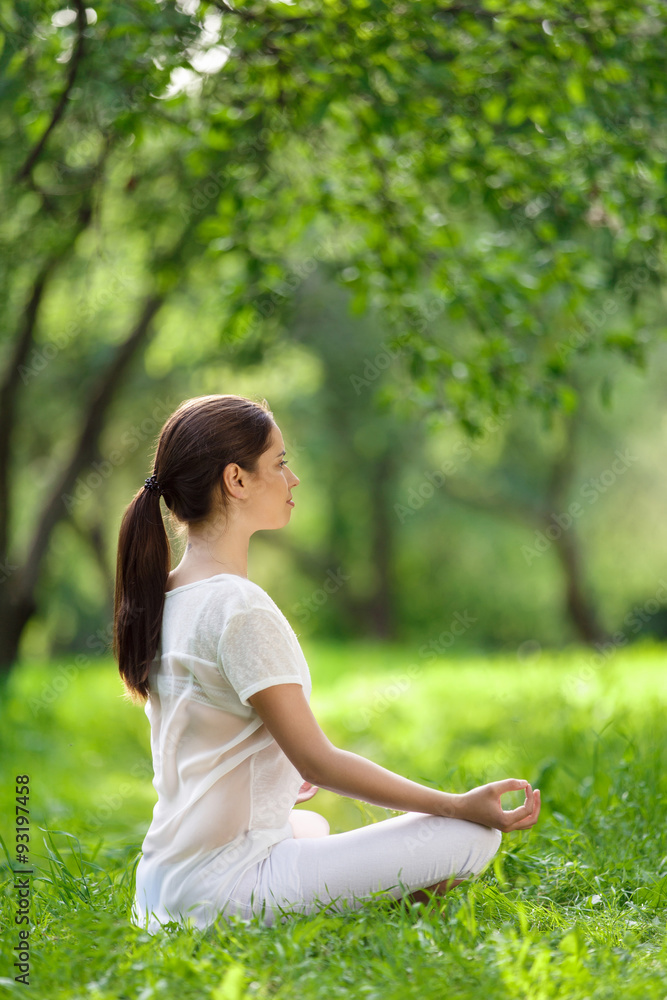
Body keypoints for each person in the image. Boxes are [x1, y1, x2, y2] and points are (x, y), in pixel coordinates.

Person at [113, 393, 541, 934]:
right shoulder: (237, 608)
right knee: (470, 838)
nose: (293, 481)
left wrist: (275, 778)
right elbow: (320, 763)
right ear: (236, 480)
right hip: (225, 893)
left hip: (161, 888)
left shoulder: (167, 597)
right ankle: (377, 928)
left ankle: (337, 911)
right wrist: (455, 805)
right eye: (280, 463)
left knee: (308, 823)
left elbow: (213, 739)